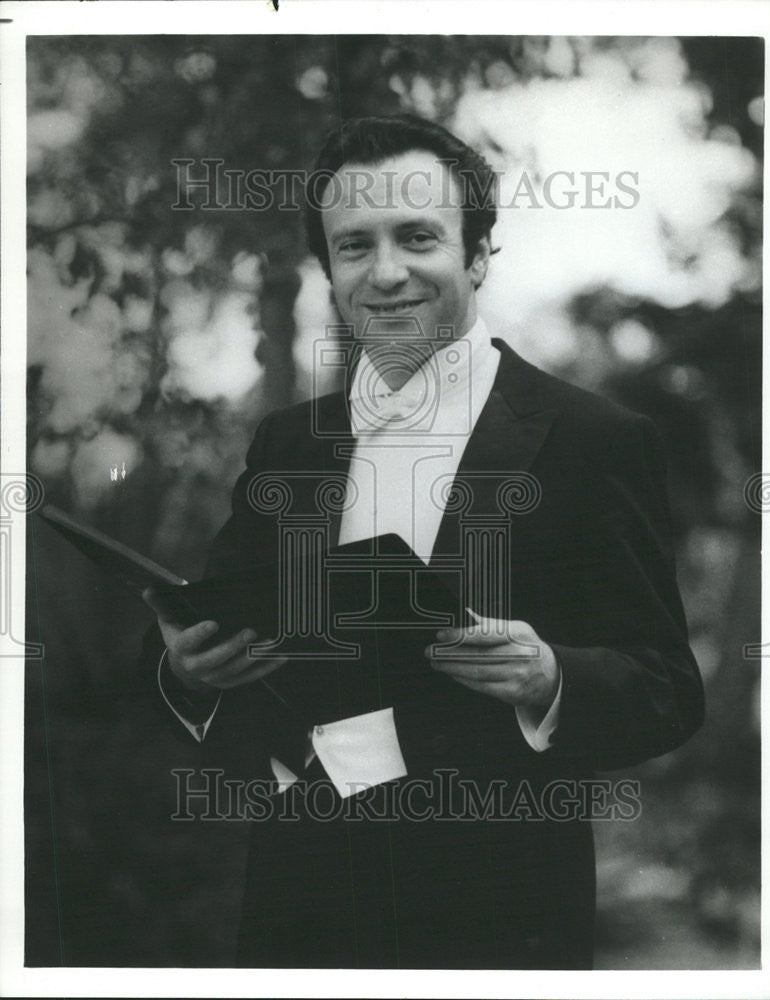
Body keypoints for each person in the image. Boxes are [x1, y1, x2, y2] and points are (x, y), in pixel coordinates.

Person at [142, 114, 704, 969]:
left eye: (418, 237)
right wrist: (188, 674)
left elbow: (667, 688)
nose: (388, 272)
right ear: (330, 268)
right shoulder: (289, 443)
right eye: (356, 246)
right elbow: (223, 627)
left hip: (496, 905)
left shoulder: (595, 440)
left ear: (477, 255)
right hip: (300, 896)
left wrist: (550, 676)